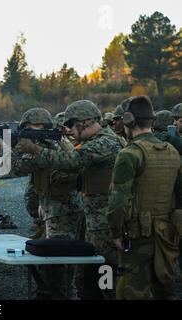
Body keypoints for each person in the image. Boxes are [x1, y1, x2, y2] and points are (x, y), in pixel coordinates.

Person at [13, 100, 121, 299]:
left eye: (71, 125)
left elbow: (70, 161)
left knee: (105, 275)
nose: (69, 131)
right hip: (93, 220)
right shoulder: (93, 141)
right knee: (86, 279)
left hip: (105, 222)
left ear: (86, 122)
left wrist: (34, 149)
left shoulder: (105, 142)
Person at [106, 95, 181, 299]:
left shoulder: (129, 154)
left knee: (130, 291)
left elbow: (117, 201)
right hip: (167, 236)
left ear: (129, 120)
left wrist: (115, 233)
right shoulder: (173, 152)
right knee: (164, 291)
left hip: (137, 237)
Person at [12, 107, 83, 300]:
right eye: (30, 127)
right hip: (55, 206)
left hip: (61, 209)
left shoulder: (49, 146)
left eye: (38, 127)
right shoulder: (54, 142)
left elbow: (18, 168)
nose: (34, 130)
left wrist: (12, 149)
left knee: (56, 258)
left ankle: (55, 294)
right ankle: (51, 293)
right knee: (53, 255)